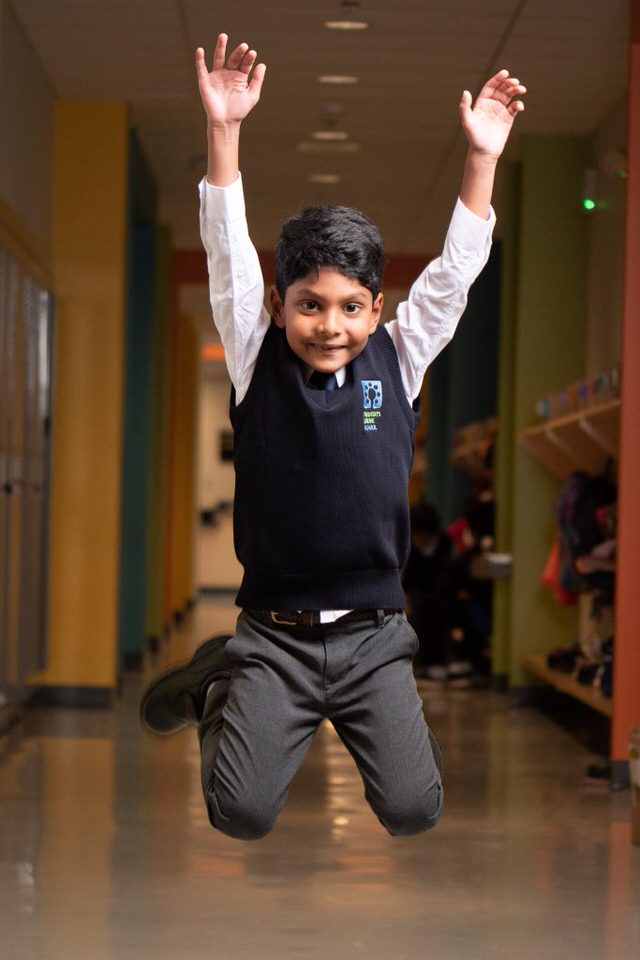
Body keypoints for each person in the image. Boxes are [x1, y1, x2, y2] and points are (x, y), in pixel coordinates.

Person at [140, 33, 526, 841]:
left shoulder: (402, 355)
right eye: (310, 304)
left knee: (416, 809)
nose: (330, 324)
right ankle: (221, 684)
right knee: (239, 814)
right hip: (272, 635)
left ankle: (253, 687)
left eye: (351, 306)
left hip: (373, 640)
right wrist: (224, 132)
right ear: (279, 304)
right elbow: (223, 252)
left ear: (377, 310)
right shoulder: (254, 355)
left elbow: (455, 273)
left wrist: (482, 158)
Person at [402, 502, 453, 679]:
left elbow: (448, 578)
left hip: (443, 595)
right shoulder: (408, 547)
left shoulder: (445, 545)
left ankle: (435, 661)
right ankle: (422, 662)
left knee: (432, 611)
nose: (419, 539)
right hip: (418, 595)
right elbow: (408, 580)